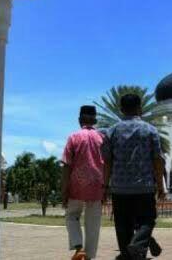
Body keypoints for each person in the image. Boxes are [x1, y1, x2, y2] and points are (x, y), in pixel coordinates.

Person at [103, 94, 166, 260]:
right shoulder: (150, 130)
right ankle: (138, 245)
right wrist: (160, 186)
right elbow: (157, 160)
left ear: (121, 109)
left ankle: (127, 253)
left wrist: (105, 186)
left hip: (119, 187)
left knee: (123, 225)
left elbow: (107, 161)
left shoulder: (112, 131)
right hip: (143, 187)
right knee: (147, 220)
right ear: (140, 108)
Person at [61, 106, 105, 260]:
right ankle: (89, 256)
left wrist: (64, 190)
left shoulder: (73, 137)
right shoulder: (102, 138)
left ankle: (79, 248)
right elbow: (108, 164)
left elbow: (66, 165)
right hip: (97, 186)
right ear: (95, 120)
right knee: (93, 224)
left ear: (80, 120)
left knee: (72, 216)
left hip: (76, 186)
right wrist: (107, 187)